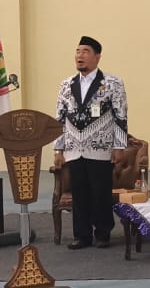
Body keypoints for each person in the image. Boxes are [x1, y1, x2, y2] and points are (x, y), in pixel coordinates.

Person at [52, 36, 128, 250]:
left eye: (85, 51)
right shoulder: (67, 84)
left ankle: (103, 234)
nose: (80, 56)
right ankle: (82, 235)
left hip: (100, 147)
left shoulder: (112, 83)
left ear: (97, 57)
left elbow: (121, 116)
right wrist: (58, 149)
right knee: (79, 194)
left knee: (100, 193)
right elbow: (59, 118)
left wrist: (119, 146)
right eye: (77, 52)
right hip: (74, 148)